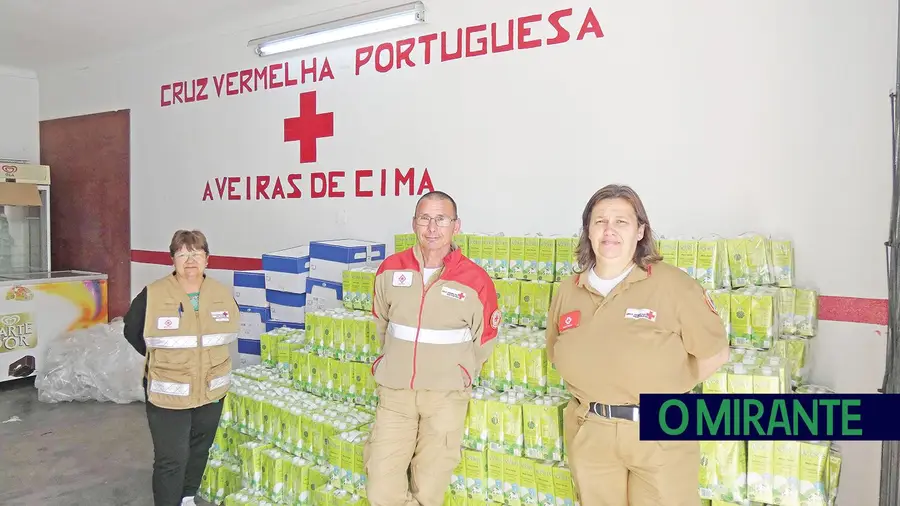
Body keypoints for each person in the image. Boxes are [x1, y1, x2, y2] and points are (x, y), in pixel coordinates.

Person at [546, 184, 729, 506]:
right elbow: (556, 351)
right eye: (600, 221)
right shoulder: (568, 291)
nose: (609, 231)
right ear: (587, 230)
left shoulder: (673, 285)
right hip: (592, 430)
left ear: (640, 230)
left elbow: (715, 354)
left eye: (621, 222)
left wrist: (665, 392)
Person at [364, 191, 502, 506]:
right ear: (414, 223)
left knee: (429, 485)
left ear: (456, 226)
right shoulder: (390, 269)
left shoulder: (475, 279)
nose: (432, 228)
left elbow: (485, 340)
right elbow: (381, 324)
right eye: (425, 218)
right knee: (381, 484)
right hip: (396, 395)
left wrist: (459, 373)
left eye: (441, 219)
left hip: (445, 399)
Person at [123, 230, 239, 506]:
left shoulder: (221, 294)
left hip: (211, 392)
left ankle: (187, 497)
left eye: (196, 253)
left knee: (199, 450)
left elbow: (229, 333)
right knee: (171, 458)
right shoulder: (153, 294)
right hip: (168, 394)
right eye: (183, 254)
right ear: (172, 259)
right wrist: (163, 359)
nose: (190, 260)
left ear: (207, 259)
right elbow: (133, 331)